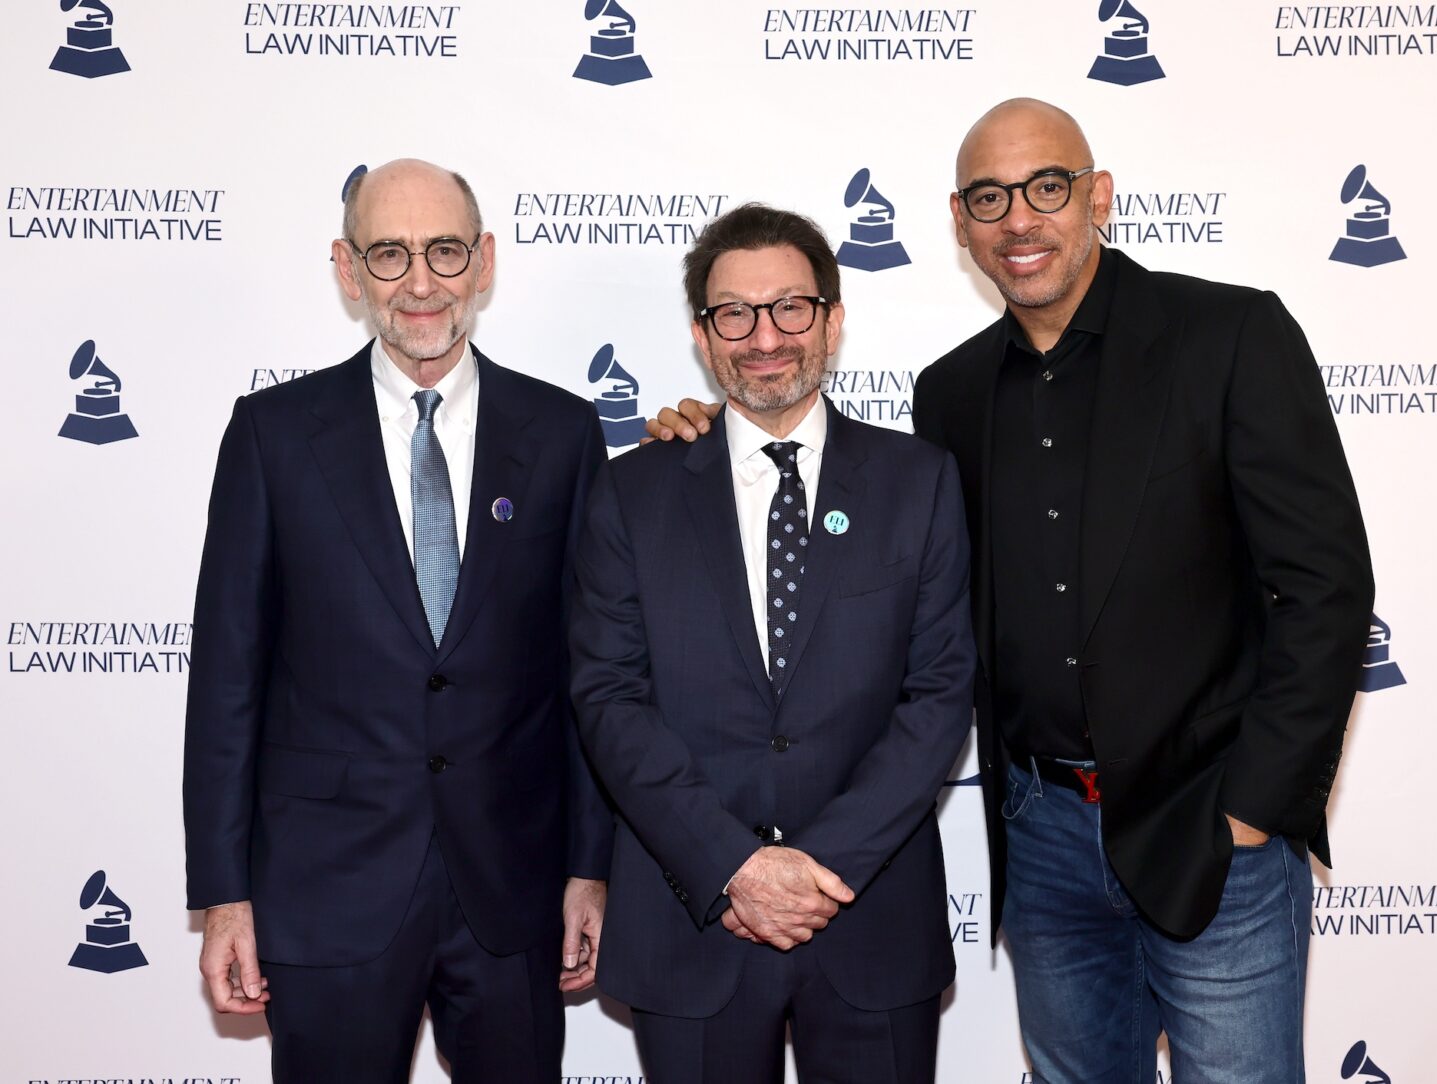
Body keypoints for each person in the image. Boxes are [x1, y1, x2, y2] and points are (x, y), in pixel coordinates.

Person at [648, 100, 1374, 1084]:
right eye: (990, 197)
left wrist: (1254, 809)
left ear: (1098, 196)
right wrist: (714, 436)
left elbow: (1325, 588)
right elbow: (854, 517)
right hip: (1044, 839)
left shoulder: (1229, 335)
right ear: (960, 221)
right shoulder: (950, 394)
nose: (1018, 219)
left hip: (1212, 830)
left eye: (1045, 188)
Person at [183, 158, 612, 1084]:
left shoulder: (564, 434)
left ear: (484, 261)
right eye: (389, 254)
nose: (421, 282)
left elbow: (590, 678)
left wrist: (590, 865)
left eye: (445, 250)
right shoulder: (272, 435)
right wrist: (223, 896)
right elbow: (226, 681)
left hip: (514, 889)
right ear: (347, 270)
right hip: (326, 888)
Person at [569, 203, 974, 1084]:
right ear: (702, 336)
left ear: (832, 319)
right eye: (735, 314)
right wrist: (734, 869)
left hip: (871, 919)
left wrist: (817, 868)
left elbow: (940, 694)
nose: (766, 337)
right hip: (693, 919)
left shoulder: (920, 483)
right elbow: (608, 698)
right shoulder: (629, 495)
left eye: (791, 307)